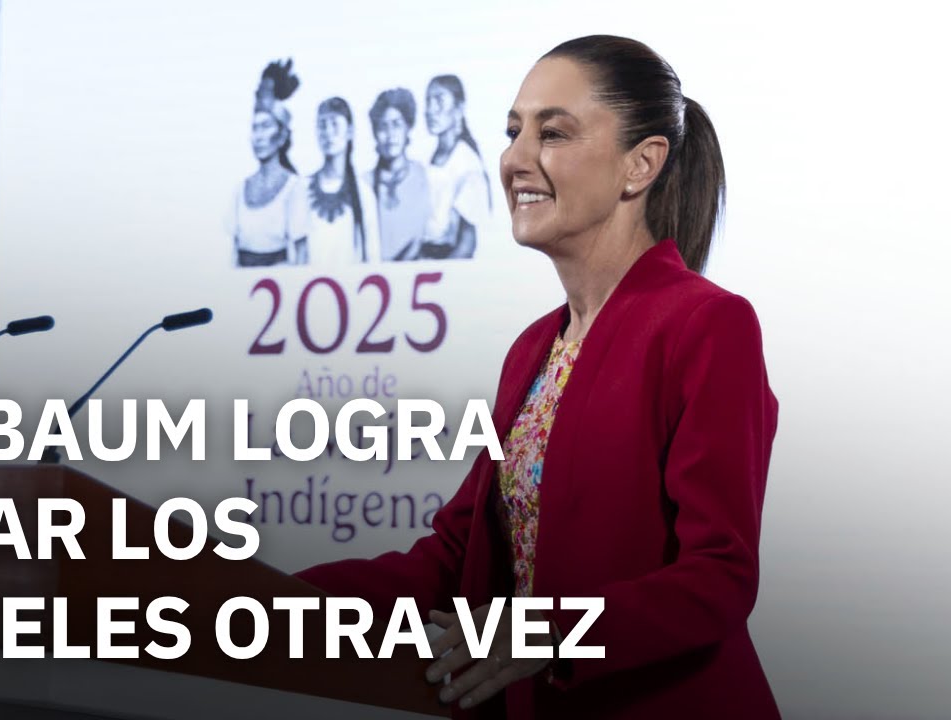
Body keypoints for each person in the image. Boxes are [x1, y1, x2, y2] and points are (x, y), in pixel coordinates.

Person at [297, 35, 780, 719]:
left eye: (552, 133)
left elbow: (719, 577)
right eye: (513, 132)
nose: (514, 160)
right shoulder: (532, 349)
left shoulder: (708, 324)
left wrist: (547, 630)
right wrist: (269, 597)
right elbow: (453, 561)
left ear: (641, 164)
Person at [228, 59, 309, 267]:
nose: (259, 136)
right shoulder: (240, 189)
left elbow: (301, 253)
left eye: (265, 127)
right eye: (255, 128)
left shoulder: (293, 187)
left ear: (281, 135)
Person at [419, 74, 493, 259]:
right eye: (428, 101)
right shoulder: (428, 158)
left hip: (446, 262)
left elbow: (467, 244)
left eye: (439, 101)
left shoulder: (467, 164)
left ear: (459, 109)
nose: (430, 110)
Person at [304, 97, 380, 265]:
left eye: (334, 124)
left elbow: (373, 258)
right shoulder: (302, 189)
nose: (328, 132)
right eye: (322, 125)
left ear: (350, 131)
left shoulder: (364, 193)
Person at [365, 88, 431, 261]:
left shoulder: (425, 176)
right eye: (383, 127)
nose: (390, 135)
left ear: (407, 128)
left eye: (396, 124)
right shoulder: (364, 184)